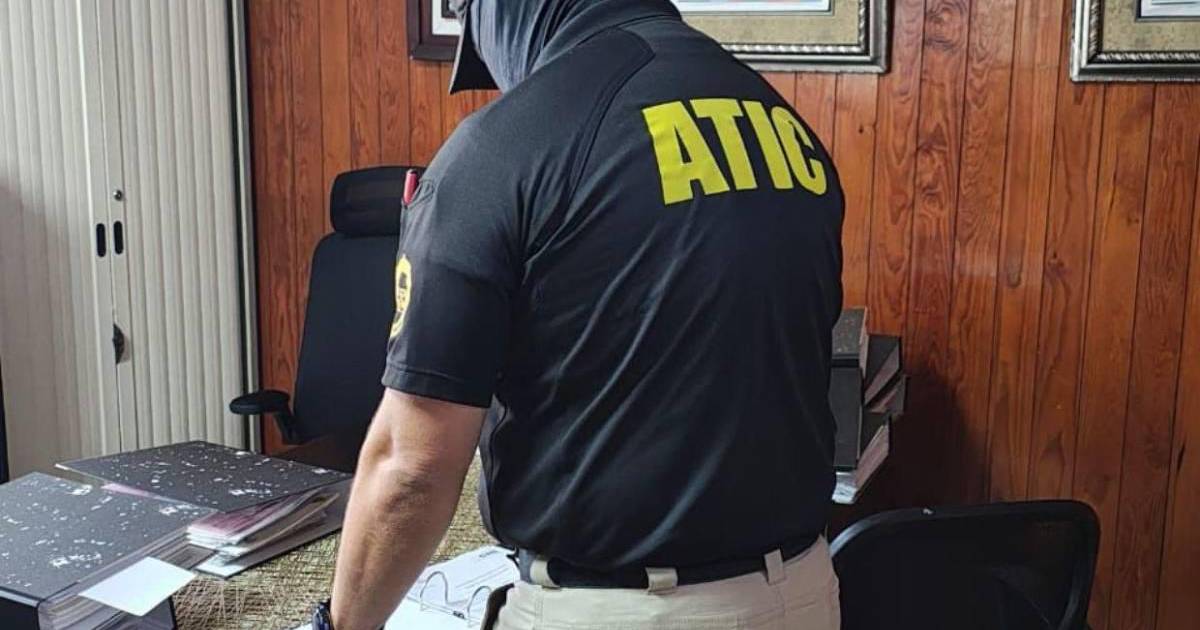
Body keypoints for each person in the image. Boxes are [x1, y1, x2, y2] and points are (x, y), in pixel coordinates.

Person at [315, 0, 844, 628]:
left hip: (623, 610)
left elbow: (413, 468)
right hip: (802, 592)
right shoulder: (775, 119)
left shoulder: (505, 145)